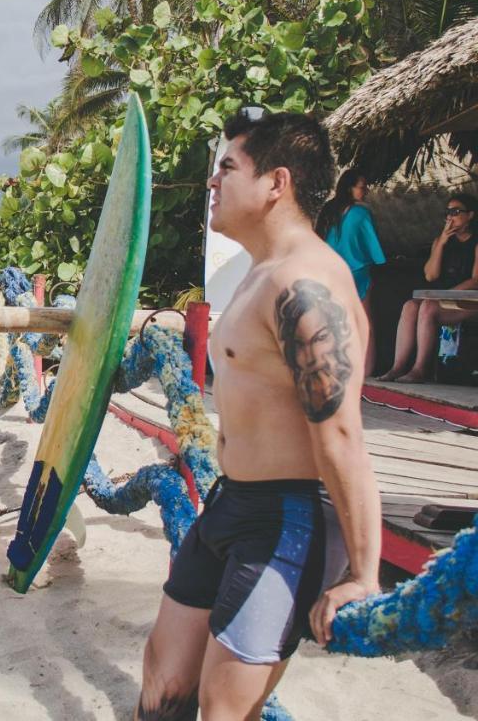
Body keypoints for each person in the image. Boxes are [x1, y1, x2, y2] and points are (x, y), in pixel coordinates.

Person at [136, 112, 380, 720]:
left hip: (287, 519)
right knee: (164, 684)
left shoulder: (306, 284)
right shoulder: (257, 275)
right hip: (231, 502)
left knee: (225, 710)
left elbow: (343, 433)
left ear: (277, 183)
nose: (212, 182)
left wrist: (364, 574)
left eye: (227, 168)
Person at [376, 192, 478, 383]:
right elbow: (430, 275)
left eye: (456, 212)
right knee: (410, 306)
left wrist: (445, 296)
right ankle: (398, 367)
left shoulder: (475, 242)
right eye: (447, 213)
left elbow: (475, 280)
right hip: (443, 298)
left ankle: (420, 369)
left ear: (470, 215)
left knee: (428, 307)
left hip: (470, 300)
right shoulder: (441, 242)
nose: (450, 217)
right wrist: (441, 244)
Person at [316, 170, 385, 376]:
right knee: (365, 324)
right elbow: (375, 250)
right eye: (362, 186)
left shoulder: (329, 210)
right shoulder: (361, 213)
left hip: (329, 273)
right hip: (357, 272)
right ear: (349, 187)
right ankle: (366, 373)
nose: (366, 190)